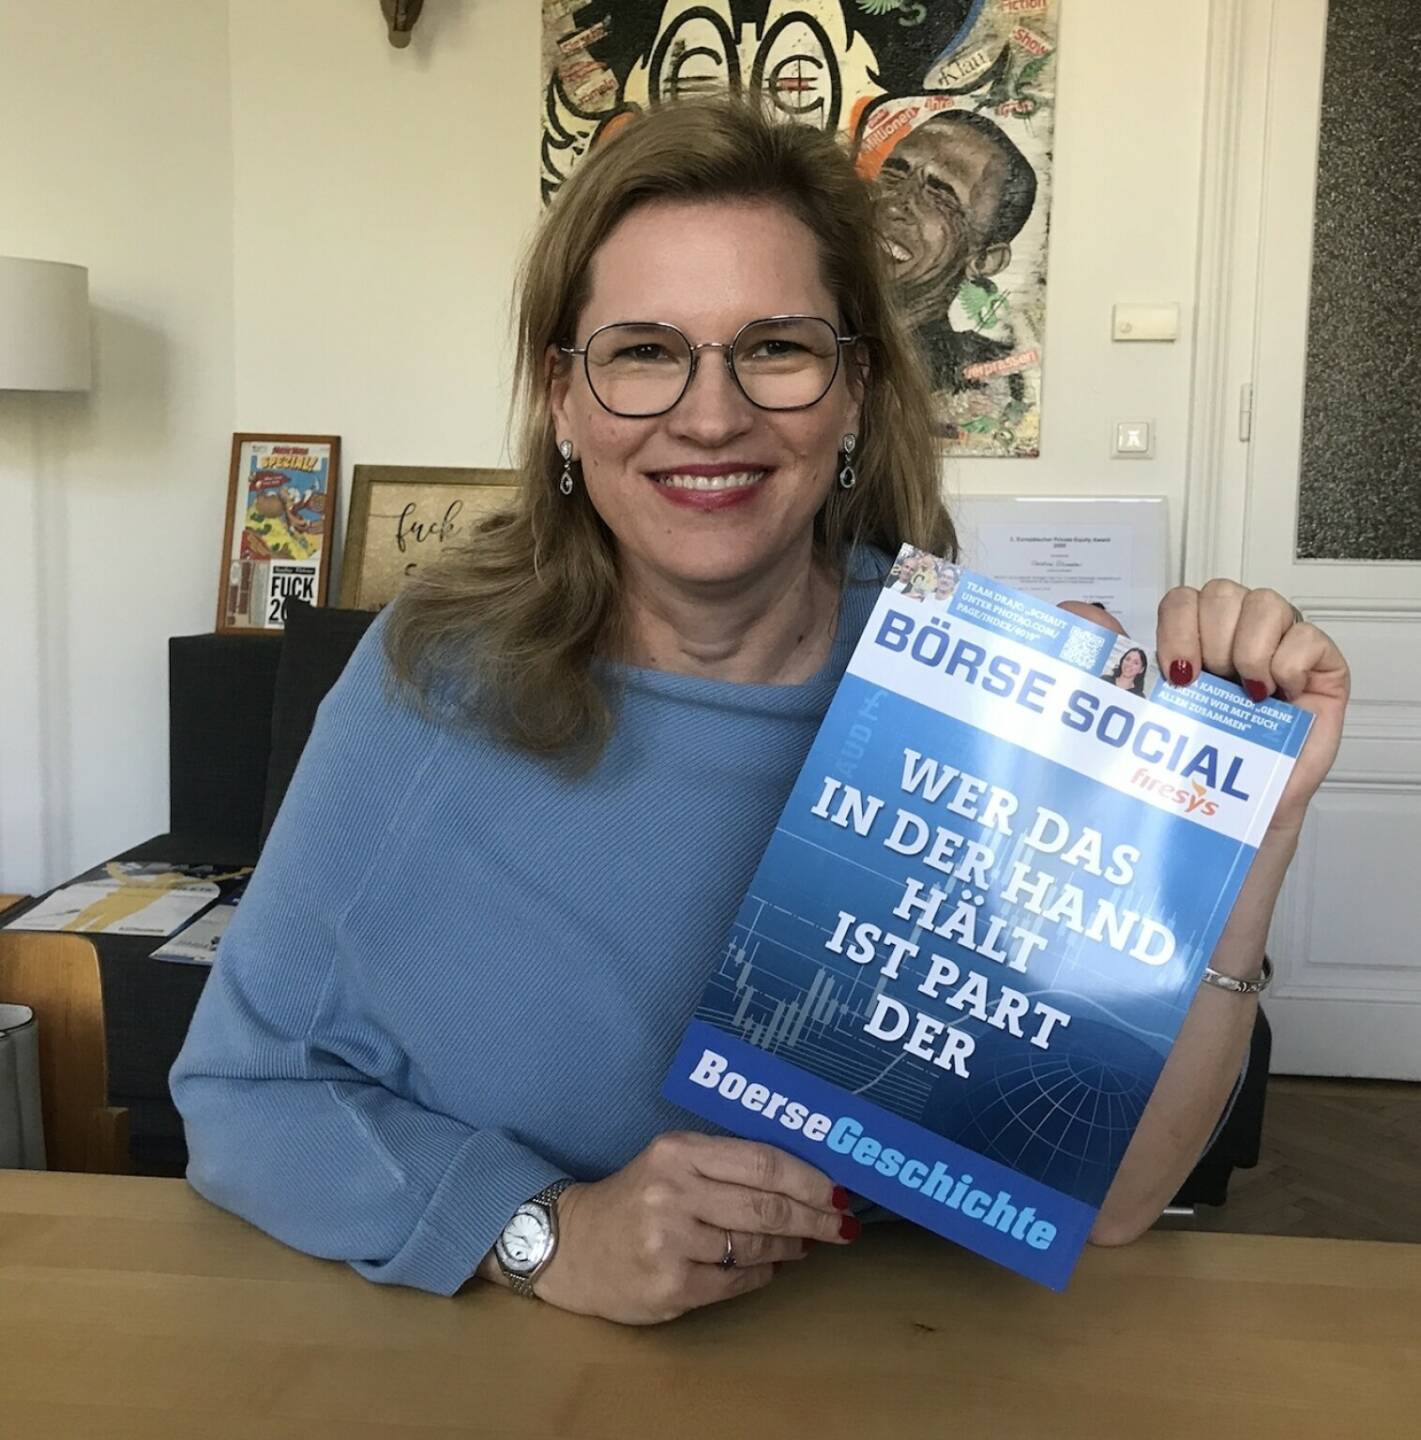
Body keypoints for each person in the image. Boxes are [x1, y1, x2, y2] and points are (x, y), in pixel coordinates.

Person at [169, 97, 1350, 1327]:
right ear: (563, 399)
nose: (710, 415)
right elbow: (243, 1090)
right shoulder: (435, 673)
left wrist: (1250, 822)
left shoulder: (970, 697)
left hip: (904, 1356)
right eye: (643, 350)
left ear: (854, 391)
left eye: (774, 346)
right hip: (523, 1368)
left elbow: (1103, 1194)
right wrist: (544, 1232)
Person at [875, 109, 1037, 402]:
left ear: (984, 260)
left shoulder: (978, 381)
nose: (894, 205)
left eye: (941, 196)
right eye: (893, 173)